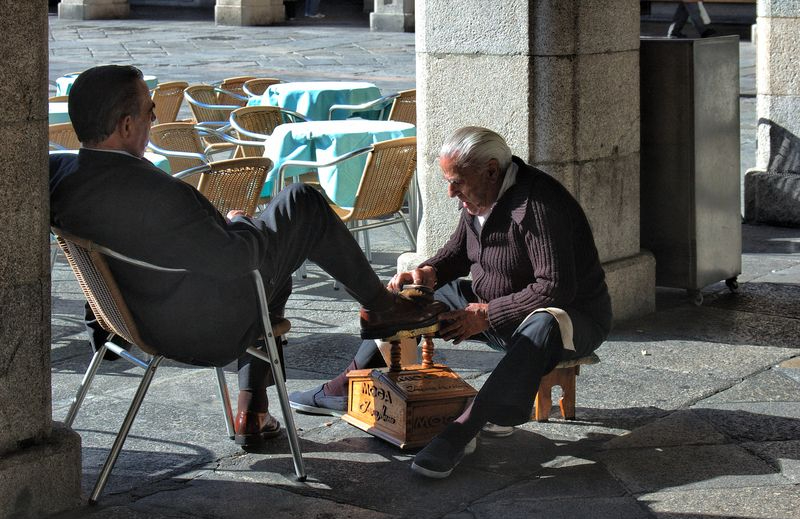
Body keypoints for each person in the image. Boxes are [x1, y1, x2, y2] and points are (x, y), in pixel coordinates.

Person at [49, 65, 446, 449]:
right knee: (299, 203)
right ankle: (379, 307)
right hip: (196, 329)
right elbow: (237, 259)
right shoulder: (156, 193)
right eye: (150, 112)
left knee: (277, 262)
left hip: (133, 317)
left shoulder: (58, 174)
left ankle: (253, 412)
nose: (154, 119)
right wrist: (241, 224)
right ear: (126, 126)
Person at [289, 126, 613, 478]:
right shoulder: (480, 195)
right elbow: (458, 253)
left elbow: (554, 289)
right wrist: (428, 273)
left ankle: (464, 429)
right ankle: (347, 384)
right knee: (407, 301)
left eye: (457, 182)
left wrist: (488, 314)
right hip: (496, 304)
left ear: (491, 170)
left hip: (572, 319)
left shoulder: (538, 205)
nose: (450, 192)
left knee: (543, 322)